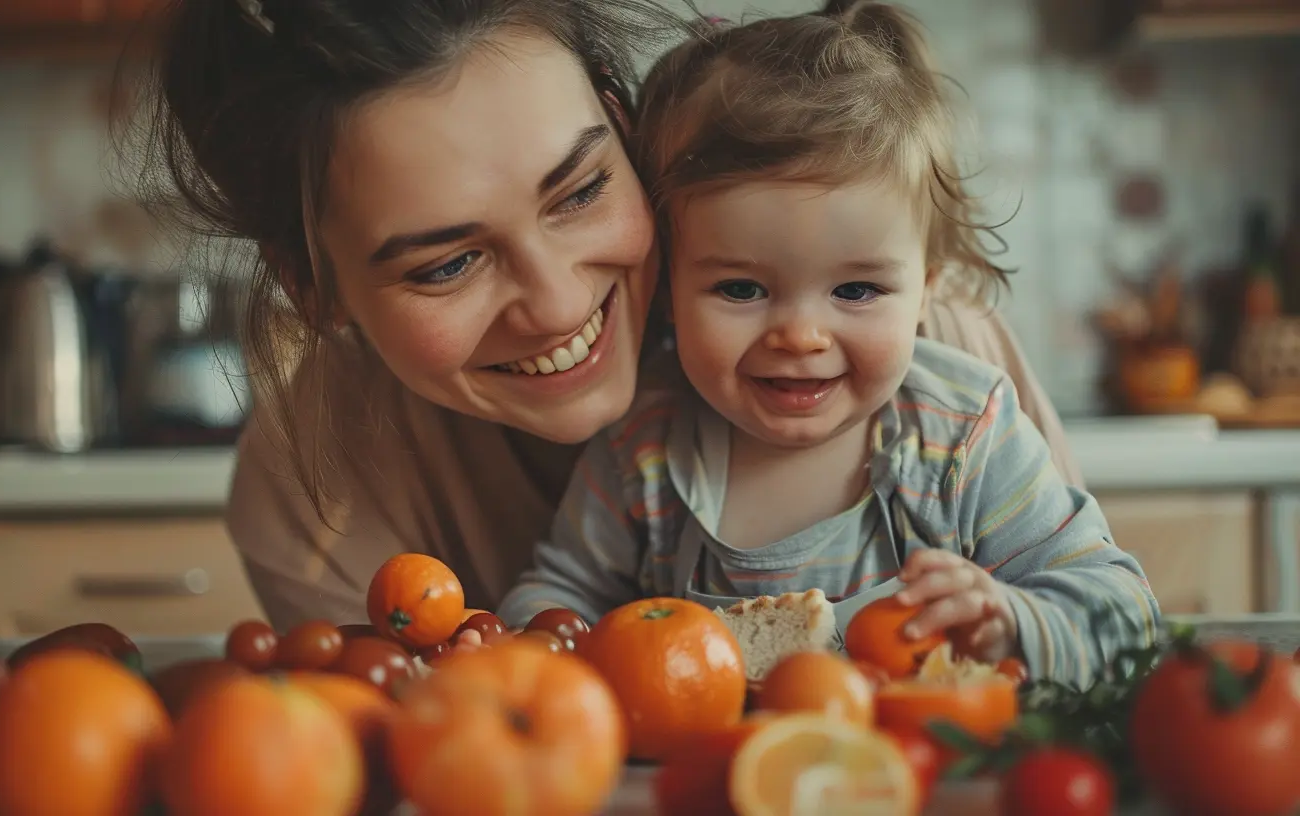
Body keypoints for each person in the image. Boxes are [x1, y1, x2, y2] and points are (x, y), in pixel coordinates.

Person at [140, 0, 1084, 634]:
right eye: (450, 263)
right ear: (312, 286)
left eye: (582, 189)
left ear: (621, 120)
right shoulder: (319, 503)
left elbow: (1084, 646)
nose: (557, 304)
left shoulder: (938, 364)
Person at [496, 4, 1158, 685]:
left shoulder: (963, 434)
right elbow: (551, 605)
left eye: (857, 291)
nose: (801, 337)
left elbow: (1124, 614)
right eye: (741, 290)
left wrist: (1013, 617)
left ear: (925, 290)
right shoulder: (643, 448)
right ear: (667, 285)